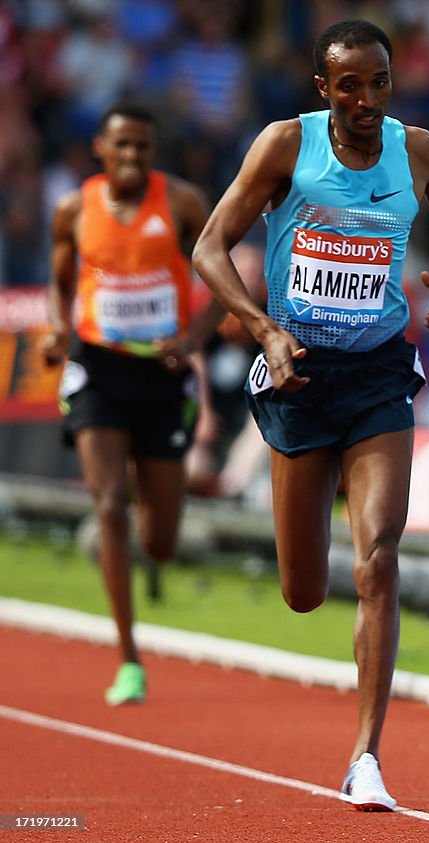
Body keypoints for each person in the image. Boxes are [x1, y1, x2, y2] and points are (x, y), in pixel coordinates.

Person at [191, 19, 429, 812]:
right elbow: (210, 247)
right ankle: (360, 739)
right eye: (349, 84)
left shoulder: (417, 150)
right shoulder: (286, 144)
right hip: (299, 373)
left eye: (378, 82)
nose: (365, 99)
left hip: (380, 373)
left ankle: (367, 756)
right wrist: (267, 329)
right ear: (323, 87)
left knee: (378, 556)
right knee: (304, 589)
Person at [41, 101, 223, 706]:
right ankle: (128, 658)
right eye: (120, 146)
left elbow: (226, 281)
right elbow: (61, 283)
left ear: (154, 152)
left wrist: (193, 339)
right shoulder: (73, 209)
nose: (131, 157)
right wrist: (53, 330)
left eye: (142, 148)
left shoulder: (183, 204)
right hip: (96, 369)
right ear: (100, 148)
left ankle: (151, 540)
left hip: (162, 376)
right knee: (110, 505)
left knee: (161, 540)